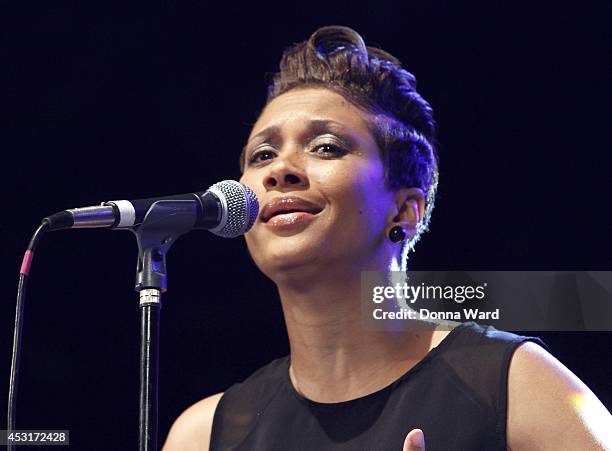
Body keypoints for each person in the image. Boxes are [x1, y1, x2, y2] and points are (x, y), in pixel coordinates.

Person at [163, 26, 612, 450]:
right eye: (263, 154)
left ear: (404, 210)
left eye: (326, 147)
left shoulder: (516, 385)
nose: (280, 170)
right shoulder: (204, 435)